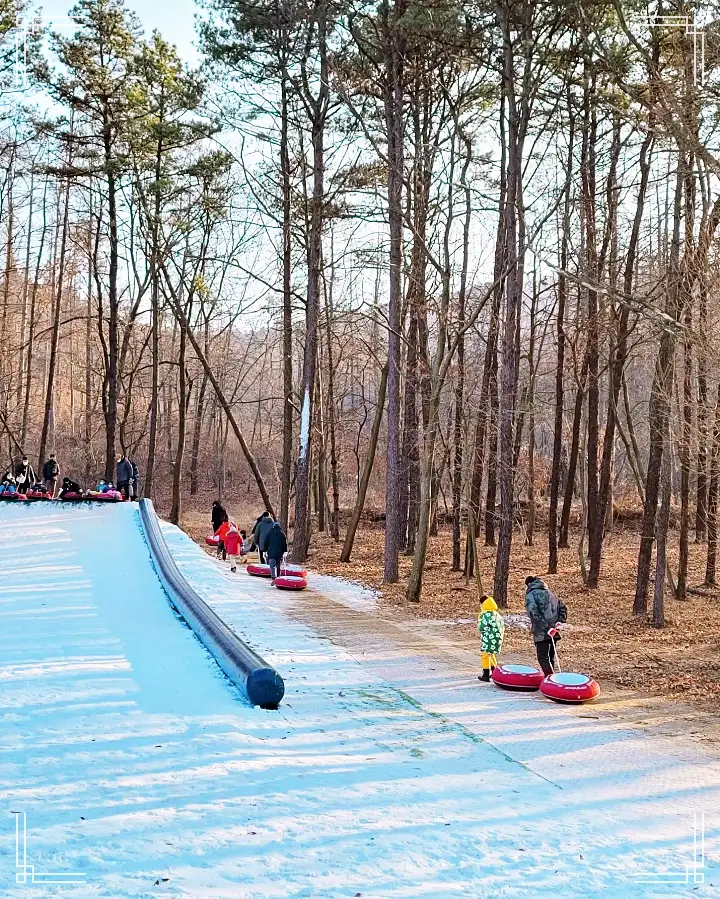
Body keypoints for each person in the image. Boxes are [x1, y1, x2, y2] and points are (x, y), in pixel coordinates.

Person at [525, 575, 568, 676]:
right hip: (554, 631)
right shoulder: (552, 594)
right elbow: (563, 608)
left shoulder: (531, 595)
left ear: (529, 584)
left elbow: (533, 612)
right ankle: (551, 679)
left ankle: (550, 680)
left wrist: (545, 626)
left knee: (543, 658)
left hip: (541, 631)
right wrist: (559, 622)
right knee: (550, 657)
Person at [477, 595, 505, 682]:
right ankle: (495, 672)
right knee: (491, 654)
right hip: (497, 638)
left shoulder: (485, 614)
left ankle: (485, 674)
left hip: (489, 638)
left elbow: (482, 627)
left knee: (485, 655)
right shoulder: (497, 614)